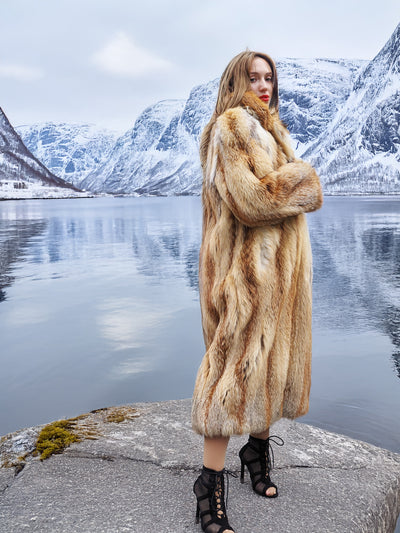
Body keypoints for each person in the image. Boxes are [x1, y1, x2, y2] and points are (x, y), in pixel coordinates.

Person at [191, 50, 323, 533]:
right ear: (236, 79)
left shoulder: (270, 129)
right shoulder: (232, 128)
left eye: (269, 78)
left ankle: (257, 454)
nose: (264, 85)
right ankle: (209, 488)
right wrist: (305, 179)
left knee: (267, 367)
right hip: (244, 279)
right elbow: (253, 201)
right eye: (254, 77)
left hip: (278, 280)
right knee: (230, 377)